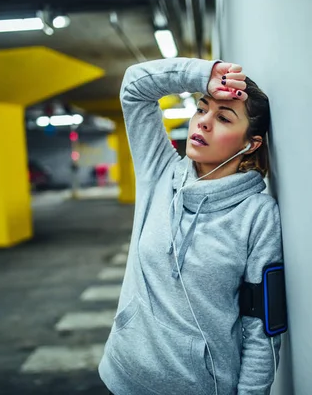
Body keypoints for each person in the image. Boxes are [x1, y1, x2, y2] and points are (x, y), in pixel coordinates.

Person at [98, 57, 283, 395]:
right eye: (202, 109)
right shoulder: (159, 174)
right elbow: (134, 87)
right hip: (123, 378)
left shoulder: (257, 215)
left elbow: (262, 330)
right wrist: (203, 76)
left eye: (224, 117)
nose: (204, 123)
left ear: (249, 145)